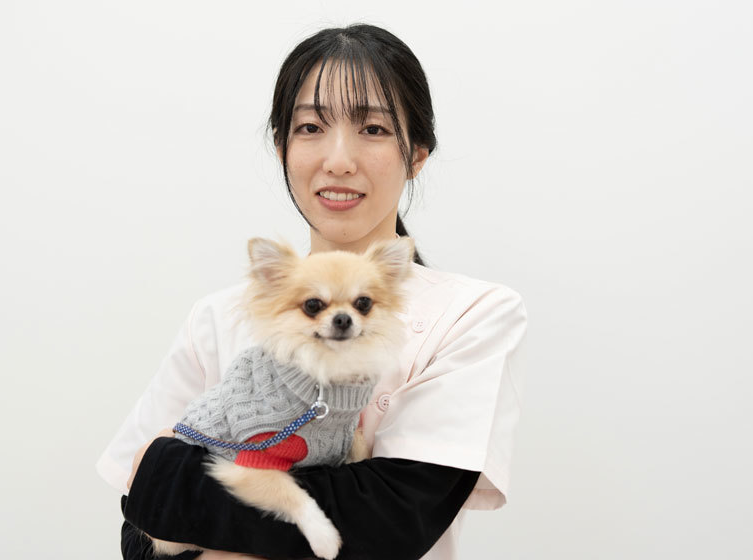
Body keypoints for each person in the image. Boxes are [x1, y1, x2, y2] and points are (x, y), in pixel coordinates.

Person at [97, 23, 527, 560]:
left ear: (417, 153)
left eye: (373, 128)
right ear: (282, 148)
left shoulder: (475, 315)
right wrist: (164, 483)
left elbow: (393, 521)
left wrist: (176, 479)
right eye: (310, 127)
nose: (339, 159)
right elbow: (138, 523)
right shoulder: (216, 316)